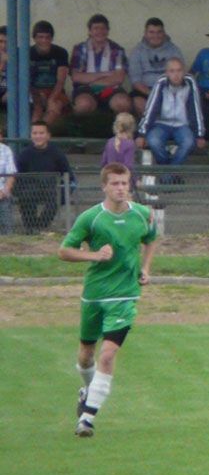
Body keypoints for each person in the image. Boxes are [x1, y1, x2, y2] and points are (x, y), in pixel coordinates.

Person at [60, 162, 159, 438]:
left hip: (125, 296)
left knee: (107, 354)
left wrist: (146, 267)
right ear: (104, 186)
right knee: (86, 355)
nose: (120, 188)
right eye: (115, 183)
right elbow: (64, 251)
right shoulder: (91, 218)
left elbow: (151, 239)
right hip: (94, 295)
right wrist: (94, 255)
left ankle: (87, 419)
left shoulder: (142, 214)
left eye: (124, 183)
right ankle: (88, 390)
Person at [135, 58, 206, 170]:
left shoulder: (190, 82)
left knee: (188, 142)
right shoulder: (161, 82)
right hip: (161, 124)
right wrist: (141, 134)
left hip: (182, 125)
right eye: (172, 71)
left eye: (179, 70)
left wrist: (199, 134)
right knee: (153, 141)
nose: (176, 75)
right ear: (166, 72)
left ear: (184, 71)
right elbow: (151, 108)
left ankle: (167, 174)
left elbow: (196, 109)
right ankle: (170, 172)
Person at [14, 121, 72, 233]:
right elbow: (16, 175)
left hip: (51, 188)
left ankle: (41, 227)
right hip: (29, 189)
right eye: (35, 133)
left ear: (48, 135)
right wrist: (19, 191)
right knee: (26, 197)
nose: (38, 136)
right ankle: (31, 229)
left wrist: (66, 191)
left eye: (41, 133)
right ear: (31, 135)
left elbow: (67, 173)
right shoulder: (24, 154)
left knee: (55, 199)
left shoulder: (57, 153)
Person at [70, 14, 132, 115]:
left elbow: (119, 78)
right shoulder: (80, 49)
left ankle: (119, 125)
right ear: (89, 31)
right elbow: (76, 77)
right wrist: (105, 74)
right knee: (83, 104)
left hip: (110, 88)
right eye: (96, 28)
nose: (100, 32)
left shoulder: (117, 49)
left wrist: (93, 83)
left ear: (108, 31)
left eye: (103, 28)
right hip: (85, 90)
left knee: (123, 102)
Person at [128, 18, 184, 115]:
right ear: (145, 33)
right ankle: (148, 124)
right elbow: (135, 81)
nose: (155, 36)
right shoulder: (137, 51)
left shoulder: (174, 50)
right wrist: (153, 94)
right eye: (151, 32)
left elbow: (180, 75)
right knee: (138, 102)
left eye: (159, 32)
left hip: (168, 89)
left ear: (164, 33)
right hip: (145, 91)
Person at [28, 21, 71, 127]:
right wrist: (37, 98)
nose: (44, 40)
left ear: (52, 38)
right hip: (34, 91)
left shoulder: (60, 52)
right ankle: (34, 135)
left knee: (54, 107)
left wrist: (51, 99)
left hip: (54, 91)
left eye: (47, 37)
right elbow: (25, 79)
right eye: (40, 37)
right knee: (37, 112)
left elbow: (61, 80)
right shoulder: (28, 53)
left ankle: (41, 132)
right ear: (34, 38)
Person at [100, 112, 137, 192]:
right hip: (124, 181)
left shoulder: (110, 142)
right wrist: (135, 180)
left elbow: (104, 162)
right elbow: (128, 165)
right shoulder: (130, 144)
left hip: (110, 178)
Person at [0, 127, 15, 235]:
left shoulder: (6, 150)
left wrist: (3, 192)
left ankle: (7, 237)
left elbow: (11, 175)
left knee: (5, 201)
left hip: (2, 193)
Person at [0, 26, 7, 110]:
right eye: (0, 41)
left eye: (7, 42)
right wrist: (2, 63)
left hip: (10, 93)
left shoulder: (19, 55)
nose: (4, 45)